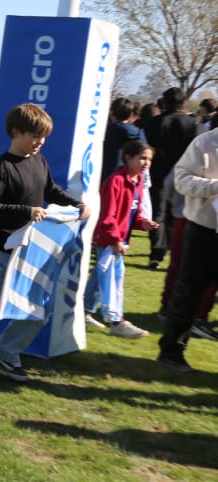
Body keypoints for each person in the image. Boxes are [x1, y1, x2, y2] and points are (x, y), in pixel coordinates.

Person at [0, 103, 88, 382]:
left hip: (30, 253)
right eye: (34, 136)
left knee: (37, 310)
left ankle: (6, 353)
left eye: (43, 137)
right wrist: (26, 212)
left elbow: (50, 190)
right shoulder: (2, 167)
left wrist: (76, 204)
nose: (40, 142)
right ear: (15, 133)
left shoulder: (40, 161)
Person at [157, 126, 218, 371]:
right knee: (189, 292)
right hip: (205, 230)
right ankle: (171, 352)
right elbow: (181, 180)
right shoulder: (205, 143)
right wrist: (214, 187)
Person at [83, 140, 158, 337]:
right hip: (108, 238)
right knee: (113, 278)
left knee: (100, 276)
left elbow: (132, 213)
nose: (146, 163)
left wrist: (143, 223)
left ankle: (83, 311)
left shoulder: (138, 181)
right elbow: (107, 215)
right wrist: (115, 239)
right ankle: (117, 321)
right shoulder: (116, 181)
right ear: (128, 158)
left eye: (149, 159)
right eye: (142, 158)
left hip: (118, 239)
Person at [140, 88, 196, 268]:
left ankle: (156, 252)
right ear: (183, 102)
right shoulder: (192, 124)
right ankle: (174, 249)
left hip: (158, 172)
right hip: (184, 173)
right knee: (179, 213)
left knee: (158, 212)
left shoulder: (154, 123)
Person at [102, 96, 147, 181]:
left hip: (109, 177)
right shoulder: (140, 134)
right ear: (130, 114)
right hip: (133, 177)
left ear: (112, 113)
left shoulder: (107, 131)